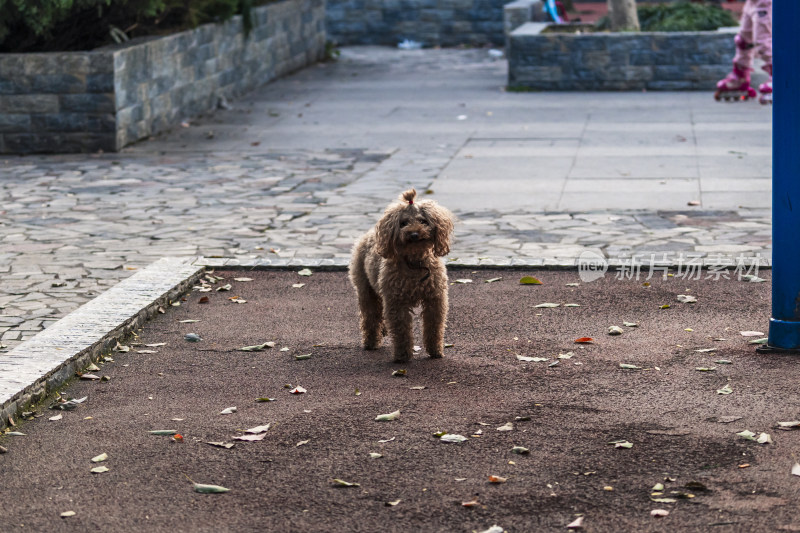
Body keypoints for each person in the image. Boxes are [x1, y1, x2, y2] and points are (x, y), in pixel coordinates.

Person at [714, 0, 772, 104]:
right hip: (751, 2)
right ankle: (740, 77)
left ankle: (777, 77)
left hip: (765, 3)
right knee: (743, 40)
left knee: (763, 42)